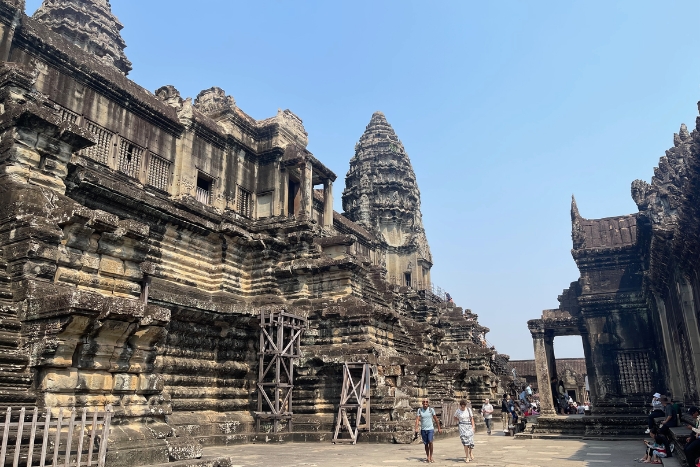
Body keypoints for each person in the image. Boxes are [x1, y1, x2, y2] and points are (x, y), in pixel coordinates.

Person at [415, 398, 441, 464]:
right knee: (426, 443)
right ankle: (428, 456)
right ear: (422, 403)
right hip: (423, 429)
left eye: (426, 402)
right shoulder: (420, 410)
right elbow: (417, 419)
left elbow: (436, 419)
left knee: (430, 442)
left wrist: (439, 428)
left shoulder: (431, 410)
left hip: (430, 429)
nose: (425, 403)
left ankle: (431, 456)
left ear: (428, 403)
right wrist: (416, 428)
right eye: (424, 402)